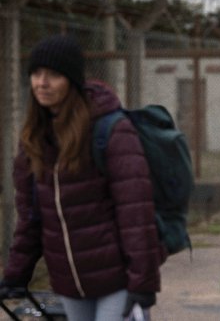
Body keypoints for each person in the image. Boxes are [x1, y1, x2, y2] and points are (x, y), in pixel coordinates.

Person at [0, 35, 162, 320]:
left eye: (53, 75)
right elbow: (31, 217)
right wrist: (16, 274)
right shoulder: (34, 140)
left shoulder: (111, 130)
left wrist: (142, 282)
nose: (42, 83)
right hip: (69, 284)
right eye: (36, 73)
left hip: (118, 280)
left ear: (72, 80)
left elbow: (136, 214)